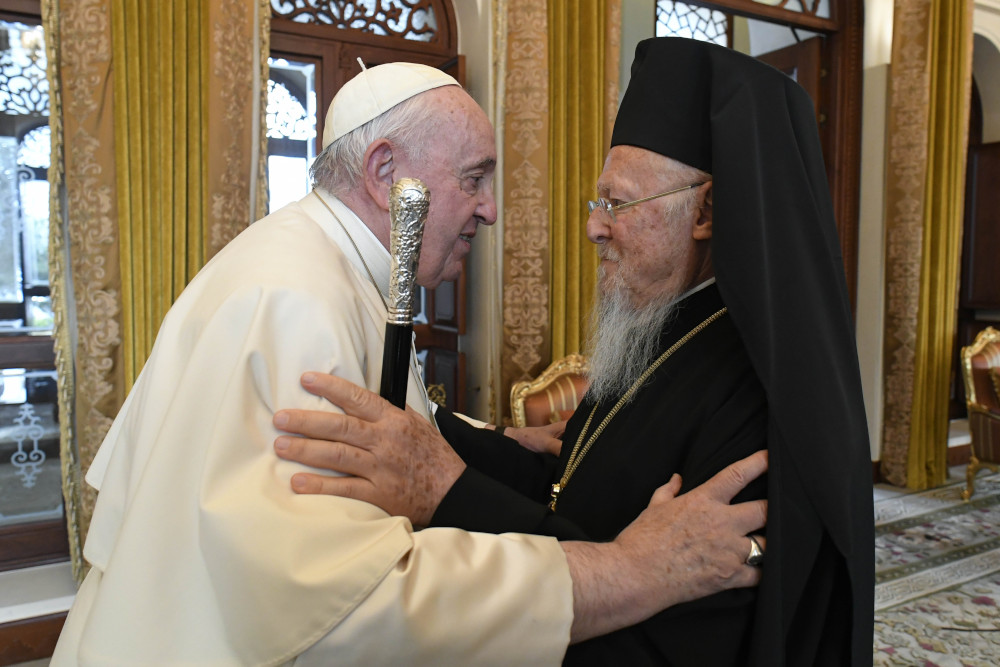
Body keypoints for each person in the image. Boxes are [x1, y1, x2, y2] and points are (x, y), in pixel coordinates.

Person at [51, 60, 769, 666]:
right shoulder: (296, 301)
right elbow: (355, 600)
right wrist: (629, 571)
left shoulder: (315, 263)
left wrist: (478, 443)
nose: (490, 210)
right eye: (476, 177)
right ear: (385, 170)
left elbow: (383, 416)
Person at [272, 38, 875, 665]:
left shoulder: (756, 392)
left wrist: (446, 487)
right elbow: (565, 487)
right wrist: (427, 426)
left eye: (617, 203)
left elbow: (692, 615)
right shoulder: (651, 327)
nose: (593, 225)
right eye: (598, 201)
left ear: (707, 211)